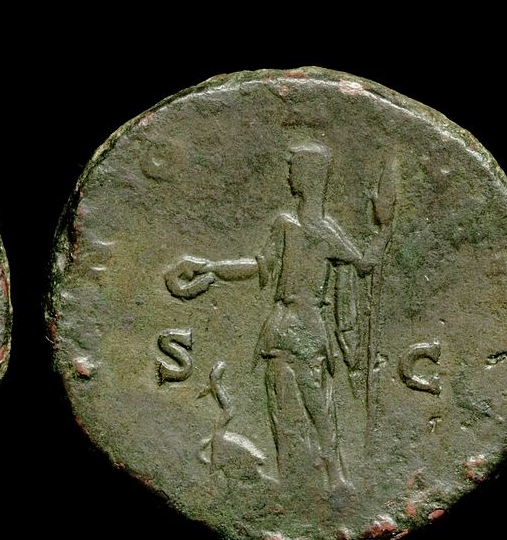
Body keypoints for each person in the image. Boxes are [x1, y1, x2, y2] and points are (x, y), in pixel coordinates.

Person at [166, 143, 391, 492]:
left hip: (308, 332)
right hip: (281, 331)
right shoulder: (285, 225)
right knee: (283, 412)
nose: (288, 177)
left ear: (309, 178)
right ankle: (293, 479)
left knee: (319, 409)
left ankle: (334, 476)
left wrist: (385, 227)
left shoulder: (327, 233)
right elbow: (259, 266)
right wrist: (210, 267)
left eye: (294, 170)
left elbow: (363, 265)